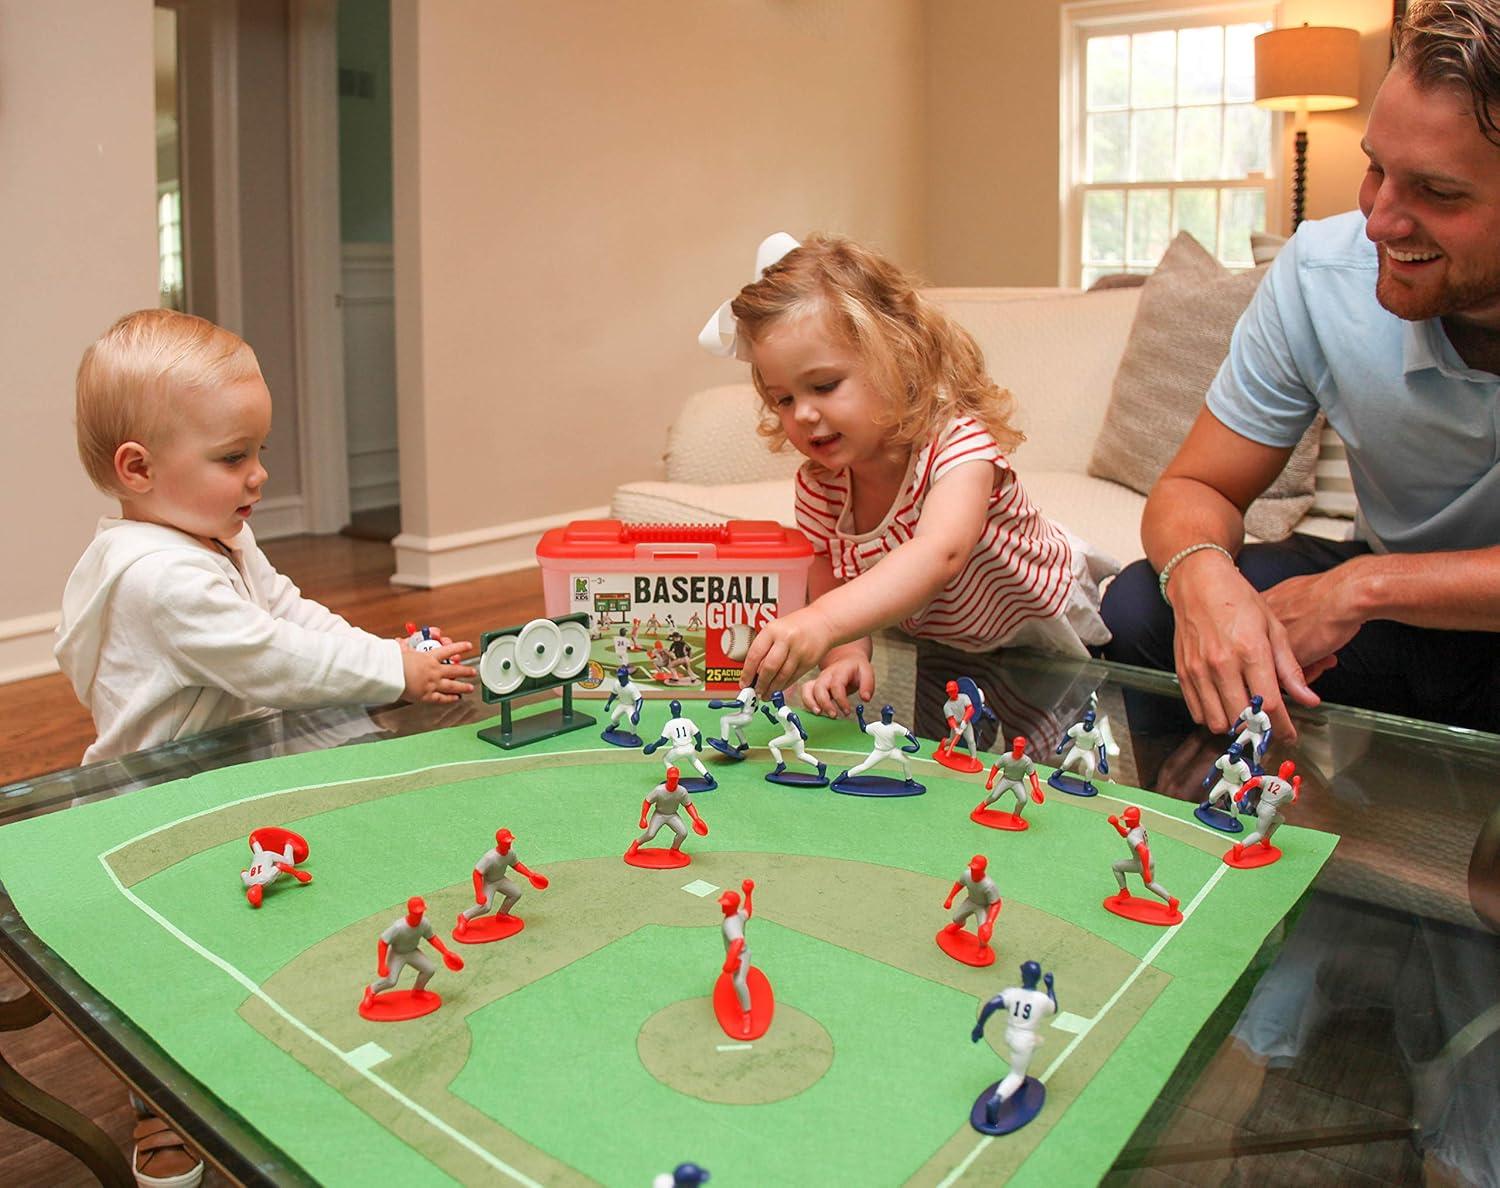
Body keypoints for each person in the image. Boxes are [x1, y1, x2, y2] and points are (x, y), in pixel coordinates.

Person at [1102, 0, 1500, 740]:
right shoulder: (1323, 273)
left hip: (1420, 600)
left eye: (1437, 193)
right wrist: (1203, 581)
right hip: (1399, 620)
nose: (1380, 220)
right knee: (1142, 607)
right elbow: (1197, 486)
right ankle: (1211, 840)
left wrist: (1362, 588)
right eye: (1376, 169)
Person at [699, 233, 1111, 714]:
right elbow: (831, 582)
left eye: (825, 385)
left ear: (899, 357)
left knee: (1053, 765)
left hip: (1052, 635)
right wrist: (846, 652)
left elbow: (941, 553)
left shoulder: (959, 444)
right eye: (784, 399)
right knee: (945, 761)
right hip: (945, 643)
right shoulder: (819, 489)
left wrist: (823, 623)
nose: (804, 414)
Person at [55, 309, 476, 764]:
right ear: (139, 469)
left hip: (236, 757)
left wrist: (380, 653)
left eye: (260, 450)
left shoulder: (222, 536)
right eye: (234, 457)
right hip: (166, 795)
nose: (259, 474)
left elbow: (289, 614)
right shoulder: (159, 581)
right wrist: (393, 671)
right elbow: (275, 659)